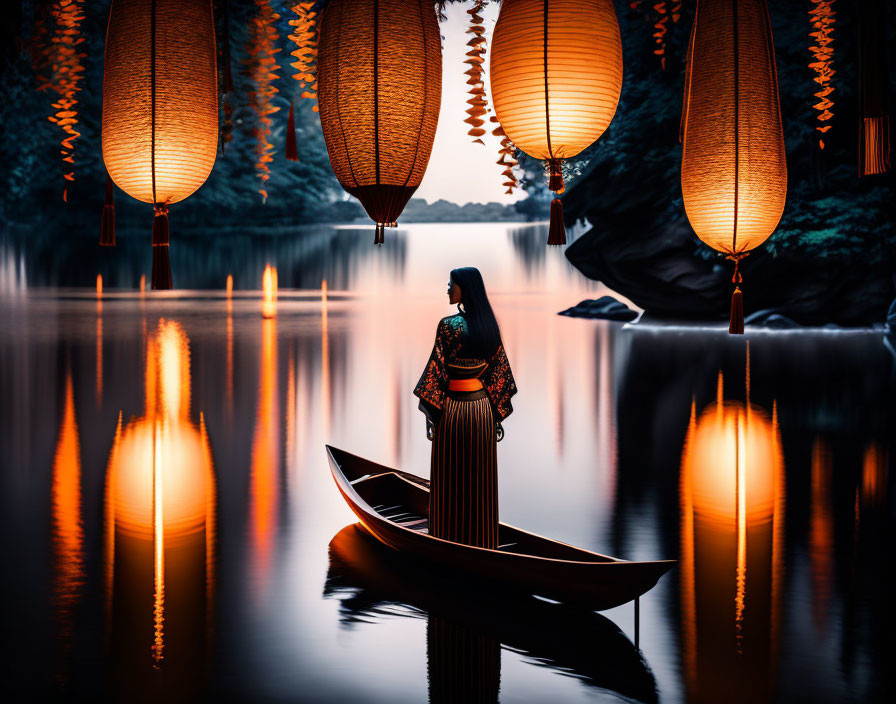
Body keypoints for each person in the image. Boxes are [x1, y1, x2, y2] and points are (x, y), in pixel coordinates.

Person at [414, 267, 517, 549]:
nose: (447, 289)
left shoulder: (448, 326)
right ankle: (482, 539)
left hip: (453, 410)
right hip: (482, 409)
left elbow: (437, 372)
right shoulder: (489, 326)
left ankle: (447, 537)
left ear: (464, 290)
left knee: (451, 475)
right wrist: (496, 417)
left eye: (451, 285)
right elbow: (499, 374)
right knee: (478, 477)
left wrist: (431, 416)